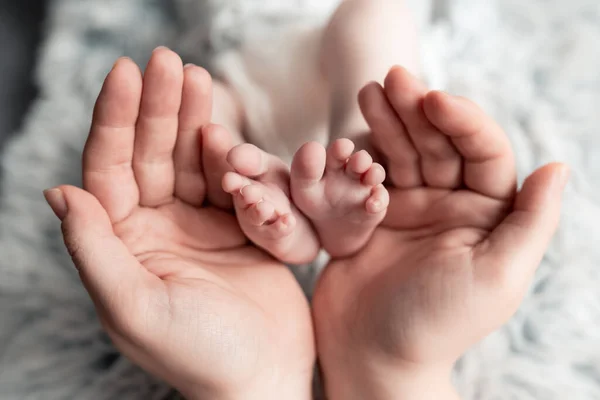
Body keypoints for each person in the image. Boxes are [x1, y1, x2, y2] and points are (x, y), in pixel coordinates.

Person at [43, 0, 568, 398]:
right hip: (267, 88)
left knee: (368, 25)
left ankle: (328, 170)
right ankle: (308, 195)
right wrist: (393, 372)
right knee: (210, 112)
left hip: (278, 69)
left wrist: (253, 382)